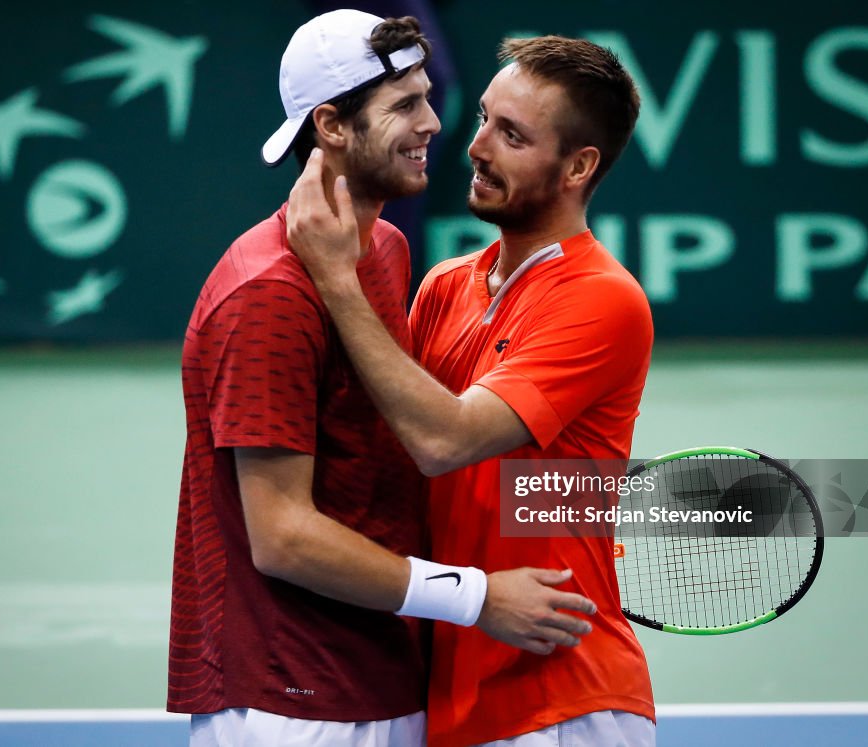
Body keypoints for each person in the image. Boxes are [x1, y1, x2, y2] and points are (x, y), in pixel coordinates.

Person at [168, 12, 598, 747]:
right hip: (291, 701)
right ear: (332, 125)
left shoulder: (386, 251)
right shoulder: (269, 291)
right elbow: (283, 536)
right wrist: (477, 597)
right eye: (403, 105)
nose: (436, 123)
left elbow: (391, 459)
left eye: (427, 96)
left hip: (383, 677)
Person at [287, 35, 656, 747]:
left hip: (561, 694)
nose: (476, 146)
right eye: (484, 118)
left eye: (511, 135)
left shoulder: (602, 298)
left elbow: (442, 440)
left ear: (579, 166)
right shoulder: (445, 285)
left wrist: (336, 277)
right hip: (453, 688)